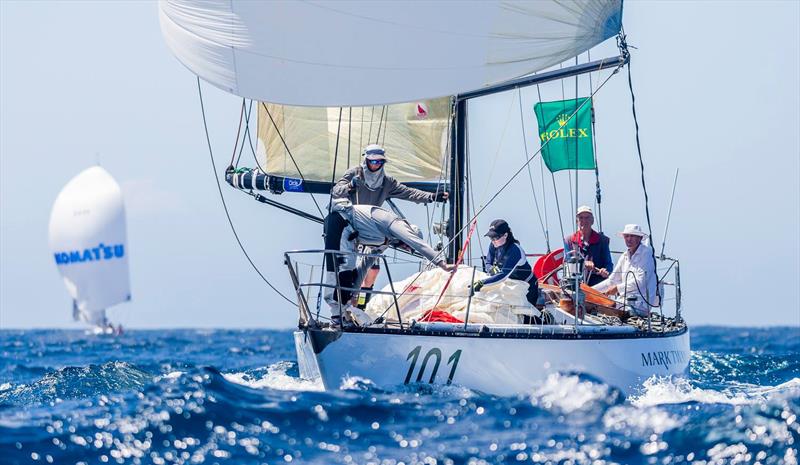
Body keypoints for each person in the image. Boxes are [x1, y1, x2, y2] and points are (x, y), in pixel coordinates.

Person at [323, 144, 448, 307]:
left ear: (383, 163)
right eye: (372, 162)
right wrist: (350, 186)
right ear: (366, 160)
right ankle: (349, 303)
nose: (375, 165)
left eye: (379, 163)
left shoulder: (387, 182)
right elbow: (335, 192)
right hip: (353, 227)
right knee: (350, 270)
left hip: (373, 228)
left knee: (372, 269)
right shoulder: (354, 173)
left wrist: (432, 196)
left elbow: (409, 192)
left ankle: (361, 304)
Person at [325, 200, 455, 321]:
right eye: (406, 246)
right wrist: (442, 264)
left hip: (347, 234)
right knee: (344, 270)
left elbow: (364, 266)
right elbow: (416, 243)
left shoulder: (384, 242)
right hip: (341, 221)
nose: (405, 248)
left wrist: (355, 293)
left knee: (350, 273)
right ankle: (337, 316)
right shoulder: (396, 223)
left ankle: (342, 316)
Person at [472, 220, 540, 311]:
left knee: (527, 317)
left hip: (527, 287)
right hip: (511, 284)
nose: (493, 241)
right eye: (491, 237)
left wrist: (482, 283)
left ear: (505, 235)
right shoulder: (493, 245)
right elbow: (488, 262)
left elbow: (503, 275)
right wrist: (491, 269)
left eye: (496, 237)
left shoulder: (515, 251)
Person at [592, 224, 657, 317]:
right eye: (626, 236)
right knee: (596, 306)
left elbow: (640, 281)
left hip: (641, 304)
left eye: (632, 236)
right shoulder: (624, 256)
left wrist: (617, 288)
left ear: (640, 238)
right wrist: (590, 290)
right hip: (623, 301)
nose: (629, 239)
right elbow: (612, 281)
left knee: (600, 309)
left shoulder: (646, 254)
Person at [563, 205, 613, 286]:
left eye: (587, 218)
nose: (584, 221)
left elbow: (609, 263)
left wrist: (605, 271)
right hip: (575, 284)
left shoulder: (603, 240)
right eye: (581, 218)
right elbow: (567, 262)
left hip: (597, 285)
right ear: (577, 221)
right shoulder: (569, 240)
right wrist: (584, 263)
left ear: (592, 221)